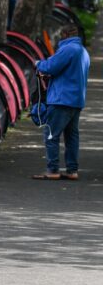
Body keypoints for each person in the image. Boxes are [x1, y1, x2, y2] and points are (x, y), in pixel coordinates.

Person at [32, 25, 90, 181]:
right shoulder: (83, 51)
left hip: (62, 99)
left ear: (64, 34)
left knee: (51, 134)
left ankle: (53, 170)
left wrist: (38, 63)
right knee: (71, 137)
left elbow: (51, 66)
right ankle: (72, 170)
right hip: (76, 100)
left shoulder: (68, 49)